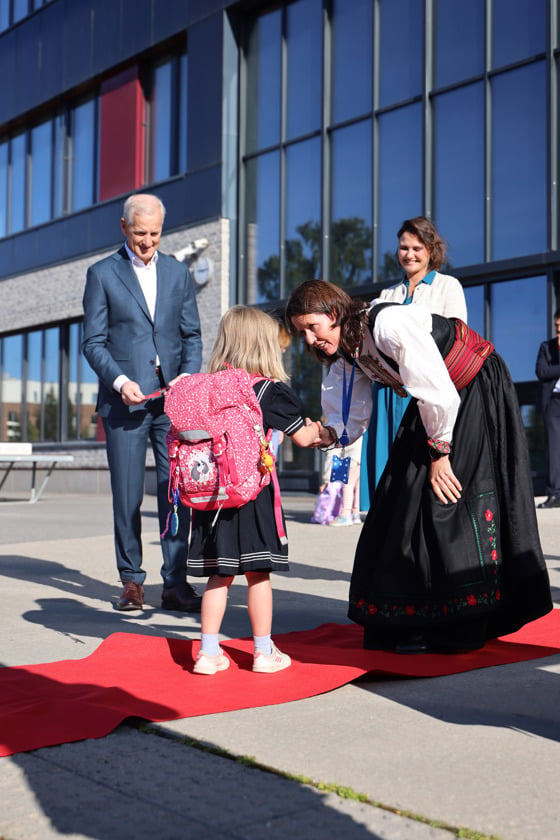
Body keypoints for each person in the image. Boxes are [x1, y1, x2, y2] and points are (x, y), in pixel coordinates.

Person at [286, 280, 552, 653]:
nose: (310, 339)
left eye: (312, 327)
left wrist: (440, 455)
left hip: (471, 387)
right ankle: (410, 618)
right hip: (439, 398)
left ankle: (461, 621)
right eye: (302, 333)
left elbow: (438, 391)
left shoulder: (387, 324)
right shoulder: (349, 353)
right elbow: (352, 416)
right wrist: (327, 435)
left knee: (446, 500)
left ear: (333, 314)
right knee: (398, 501)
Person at [82, 193, 203, 613]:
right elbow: (92, 342)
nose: (148, 242)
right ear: (123, 227)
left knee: (175, 493)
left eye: (154, 234)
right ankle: (132, 581)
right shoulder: (101, 274)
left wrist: (186, 377)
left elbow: (191, 335)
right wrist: (118, 380)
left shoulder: (178, 273)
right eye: (139, 234)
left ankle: (175, 581)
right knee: (128, 496)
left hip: (171, 405)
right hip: (125, 405)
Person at [187, 306, 322, 675]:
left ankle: (208, 652)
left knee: (220, 574)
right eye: (276, 343)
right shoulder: (268, 391)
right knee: (258, 575)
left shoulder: (208, 388)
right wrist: (322, 431)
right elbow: (305, 438)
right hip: (251, 492)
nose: (282, 349)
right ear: (262, 345)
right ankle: (263, 651)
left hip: (212, 495)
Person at [366, 216, 467, 497]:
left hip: (425, 387)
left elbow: (457, 339)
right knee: (390, 471)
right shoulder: (388, 293)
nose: (409, 254)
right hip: (391, 391)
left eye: (416, 248)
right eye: (404, 248)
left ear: (430, 252)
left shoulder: (448, 286)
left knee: (421, 466)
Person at [535, 309, 560, 508]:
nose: (558, 331)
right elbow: (542, 371)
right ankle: (554, 494)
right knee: (554, 450)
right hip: (554, 403)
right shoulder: (547, 347)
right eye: (556, 327)